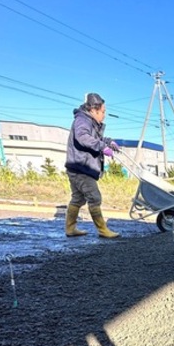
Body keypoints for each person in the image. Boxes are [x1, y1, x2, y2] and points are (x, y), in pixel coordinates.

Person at [64, 92, 120, 239]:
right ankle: (102, 230)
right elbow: (82, 137)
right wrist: (102, 147)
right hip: (81, 167)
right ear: (94, 110)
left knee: (78, 198)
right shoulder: (83, 121)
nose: (104, 115)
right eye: (103, 112)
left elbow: (96, 138)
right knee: (94, 198)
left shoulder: (90, 122)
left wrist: (109, 142)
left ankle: (70, 228)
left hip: (78, 167)